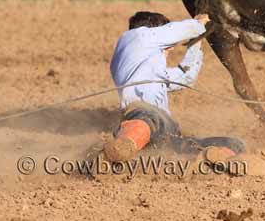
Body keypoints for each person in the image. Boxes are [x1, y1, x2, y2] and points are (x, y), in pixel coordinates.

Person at [104, 11, 246, 163]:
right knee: (149, 118)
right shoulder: (137, 36)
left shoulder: (149, 71)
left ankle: (209, 161)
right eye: (168, 45)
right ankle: (119, 150)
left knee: (234, 144)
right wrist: (198, 23)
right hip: (146, 116)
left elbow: (185, 77)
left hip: (167, 132)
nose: (171, 48)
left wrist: (195, 41)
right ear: (154, 31)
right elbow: (174, 31)